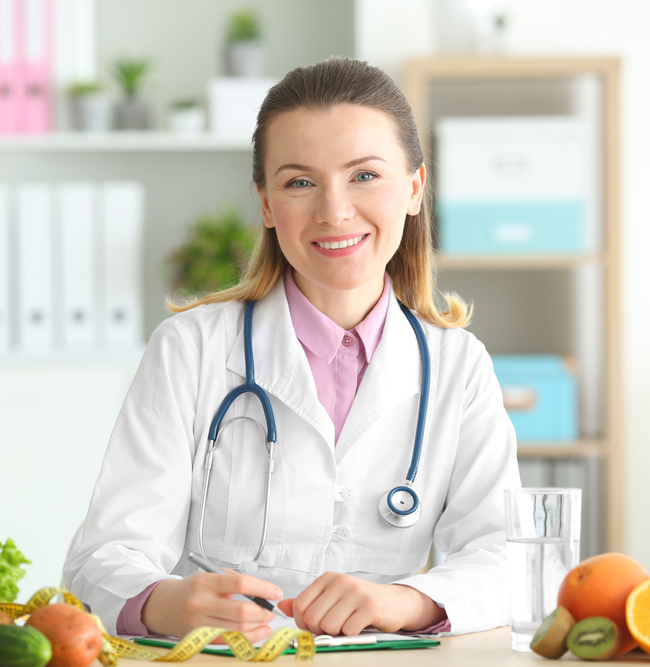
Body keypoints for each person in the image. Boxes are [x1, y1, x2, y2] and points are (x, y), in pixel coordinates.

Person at [63, 56, 521, 641]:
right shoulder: (191, 350)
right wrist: (168, 603)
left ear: (414, 188)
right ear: (266, 205)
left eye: (364, 175)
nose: (334, 211)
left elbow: (506, 559)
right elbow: (100, 561)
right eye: (300, 182)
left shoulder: (458, 367)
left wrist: (403, 601)